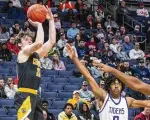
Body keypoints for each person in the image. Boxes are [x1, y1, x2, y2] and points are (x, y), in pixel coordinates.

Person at [66, 43, 150, 120]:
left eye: (118, 84)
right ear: (109, 86)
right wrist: (75, 58)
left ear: (122, 87)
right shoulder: (103, 97)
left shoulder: (127, 101)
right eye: (113, 83)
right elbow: (89, 78)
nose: (116, 86)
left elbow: (146, 103)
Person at [14, 7, 56, 120]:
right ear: (19, 44)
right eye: (25, 39)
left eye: (30, 39)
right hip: (24, 95)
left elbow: (52, 41)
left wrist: (51, 21)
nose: (29, 40)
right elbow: (39, 43)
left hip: (35, 95)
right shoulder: (23, 52)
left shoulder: (36, 55)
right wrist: (40, 25)